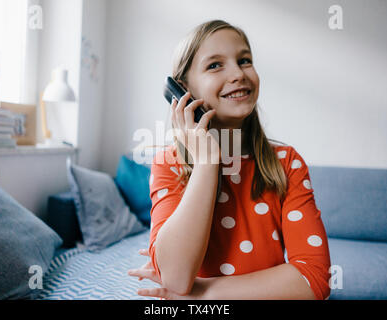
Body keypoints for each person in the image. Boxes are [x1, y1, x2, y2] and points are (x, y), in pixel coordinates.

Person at [128, 20, 331, 300]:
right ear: (183, 90)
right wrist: (208, 162)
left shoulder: (287, 163)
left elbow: (315, 279)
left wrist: (201, 294)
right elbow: (175, 277)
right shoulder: (168, 164)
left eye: (244, 60)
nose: (238, 73)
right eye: (215, 65)